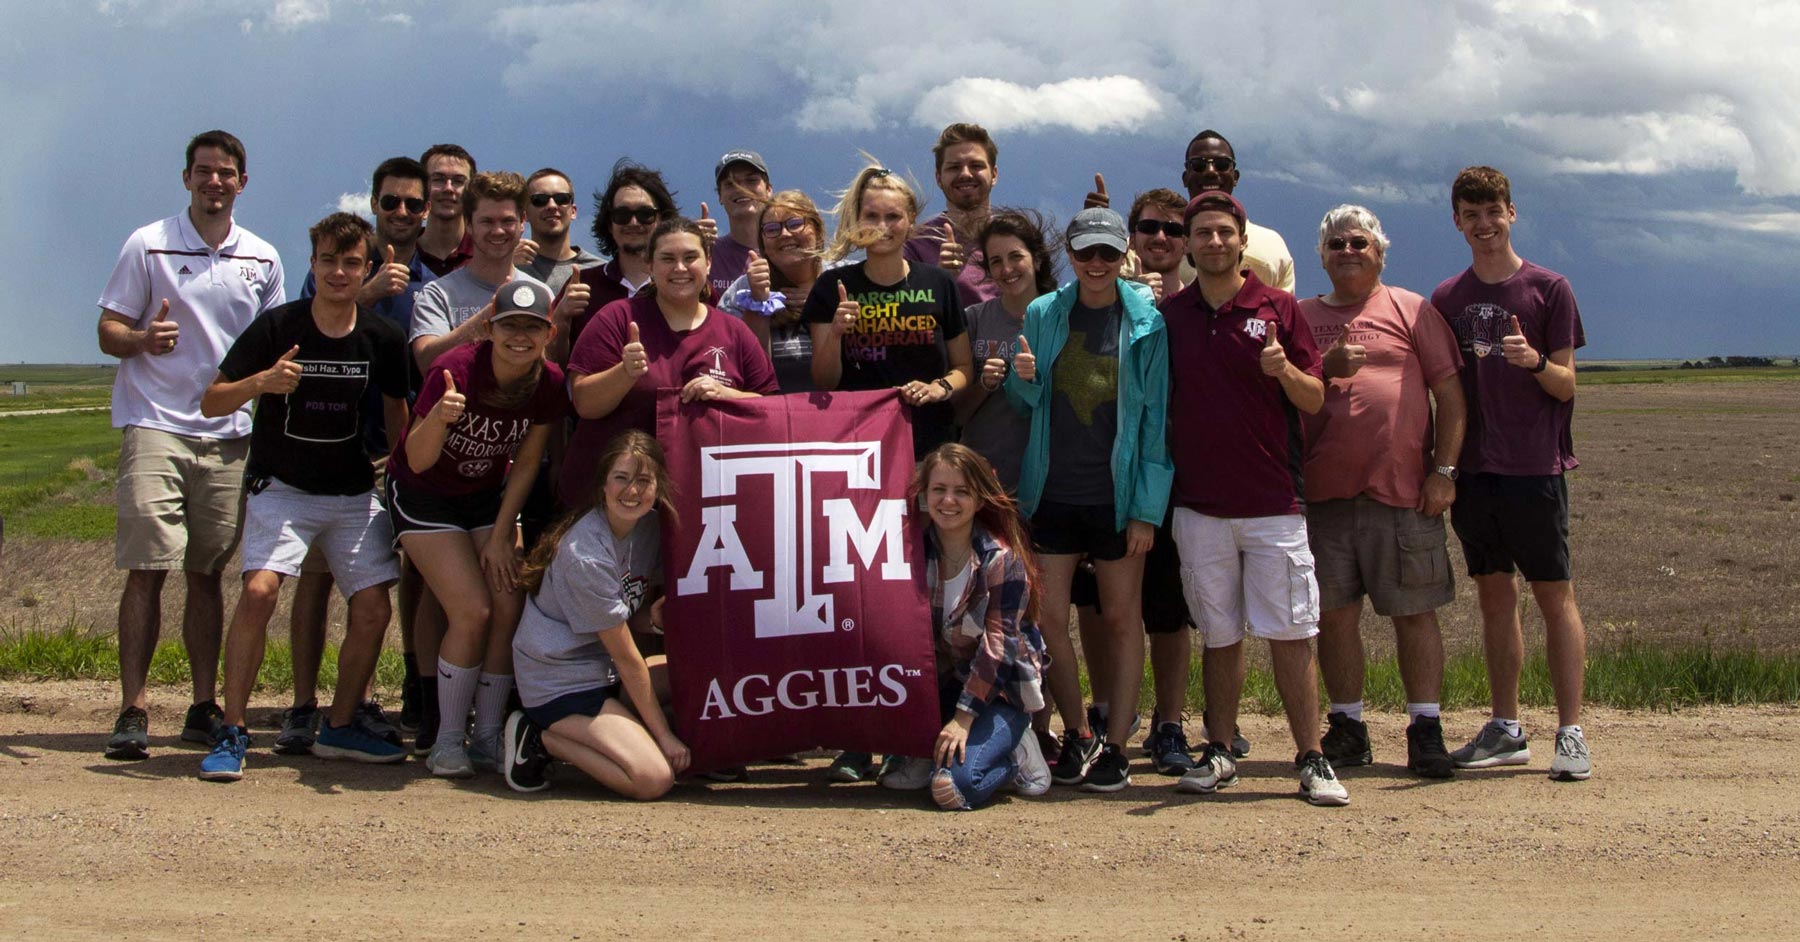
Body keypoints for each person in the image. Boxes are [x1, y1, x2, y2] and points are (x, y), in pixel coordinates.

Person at [196, 213, 411, 780]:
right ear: (312, 265)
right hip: (282, 488)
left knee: (373, 605)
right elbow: (212, 401)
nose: (338, 273)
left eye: (350, 263)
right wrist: (260, 383)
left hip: (351, 492)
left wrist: (401, 459)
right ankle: (233, 728)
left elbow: (396, 408)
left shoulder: (381, 337)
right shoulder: (278, 326)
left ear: (366, 268)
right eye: (327, 261)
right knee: (261, 590)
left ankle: (339, 724)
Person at [95, 129, 284, 760]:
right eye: (204, 171)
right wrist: (143, 339)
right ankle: (134, 708)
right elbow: (108, 329)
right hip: (156, 425)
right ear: (187, 179)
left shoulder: (262, 258)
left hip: (228, 435)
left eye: (226, 172)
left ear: (242, 182)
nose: (215, 182)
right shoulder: (147, 245)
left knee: (207, 573)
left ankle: (203, 706)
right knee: (147, 568)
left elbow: (275, 344)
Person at [1159, 191, 1348, 807]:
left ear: (1243, 240)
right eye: (1203, 233)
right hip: (1199, 505)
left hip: (1273, 503)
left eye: (1224, 233)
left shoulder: (1279, 309)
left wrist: (1283, 371)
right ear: (1188, 244)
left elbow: (1315, 398)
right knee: (1219, 633)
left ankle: (1312, 758)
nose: (1214, 242)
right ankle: (1217, 751)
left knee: (1292, 631)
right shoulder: (1173, 316)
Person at [1430, 166, 1591, 781]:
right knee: (1496, 598)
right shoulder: (1449, 299)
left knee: (1555, 597)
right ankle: (1505, 727)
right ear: (1457, 223)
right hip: (1477, 471)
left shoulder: (1549, 289)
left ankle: (1570, 732)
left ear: (1511, 213)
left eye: (1492, 211)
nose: (1483, 224)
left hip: (1534, 468)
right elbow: (1446, 390)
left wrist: (1531, 363)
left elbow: (1567, 381)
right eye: (1471, 215)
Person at [1003, 207, 1172, 793]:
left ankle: (1117, 746)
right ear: (1070, 257)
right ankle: (1078, 731)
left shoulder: (1148, 319)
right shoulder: (1045, 312)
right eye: (1085, 253)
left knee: (1123, 621)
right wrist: (1022, 377)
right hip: (1053, 491)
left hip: (1119, 497)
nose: (1096, 264)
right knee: (1049, 621)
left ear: (1122, 254)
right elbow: (1028, 403)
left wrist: (1148, 508)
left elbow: (1154, 418)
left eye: (1107, 253)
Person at [1298, 205, 1467, 779]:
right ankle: (1347, 728)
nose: (1347, 251)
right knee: (1336, 617)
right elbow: (1285, 394)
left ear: (1379, 253)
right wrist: (1325, 364)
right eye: (1336, 244)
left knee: (1414, 613)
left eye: (1359, 243)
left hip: (1402, 495)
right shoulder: (1301, 316)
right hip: (1324, 498)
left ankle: (1425, 730)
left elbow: (1451, 394)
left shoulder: (1412, 309)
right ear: (1320, 255)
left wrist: (1444, 472)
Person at [283, 155, 436, 754]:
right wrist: (366, 292)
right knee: (317, 583)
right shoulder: (346, 264)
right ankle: (302, 705)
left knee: (379, 583)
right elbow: (304, 331)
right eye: (391, 201)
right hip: (335, 446)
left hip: (399, 448)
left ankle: (362, 701)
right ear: (374, 204)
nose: (402, 212)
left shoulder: (432, 275)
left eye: (412, 204)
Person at [391, 279, 568, 777]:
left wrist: (499, 534)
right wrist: (441, 420)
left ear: (548, 333)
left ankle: (487, 735)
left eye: (532, 328)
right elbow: (418, 460)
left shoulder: (549, 382)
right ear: (490, 327)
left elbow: (529, 461)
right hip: (424, 494)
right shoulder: (456, 369)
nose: (520, 337)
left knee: (509, 600)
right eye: (510, 325)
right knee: (471, 610)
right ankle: (448, 737)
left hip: (486, 498)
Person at [502, 430, 690, 799]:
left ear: (659, 486)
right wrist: (665, 737)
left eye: (644, 480)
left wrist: (652, 621)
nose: (632, 491)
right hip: (562, 683)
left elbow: (618, 618)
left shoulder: (649, 528)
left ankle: (625, 728)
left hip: (602, 669)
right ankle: (539, 736)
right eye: (621, 478)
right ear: (603, 483)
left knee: (696, 679)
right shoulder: (585, 552)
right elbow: (624, 654)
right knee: (653, 779)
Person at [561, 218, 778, 509]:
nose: (679, 268)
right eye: (667, 259)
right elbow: (584, 403)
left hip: (699, 505)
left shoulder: (734, 332)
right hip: (609, 505)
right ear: (650, 266)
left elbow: (772, 411)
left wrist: (729, 396)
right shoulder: (617, 318)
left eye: (690, 258)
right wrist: (624, 373)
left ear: (709, 263)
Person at [912, 444, 1052, 811]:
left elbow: (999, 650)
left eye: (961, 492)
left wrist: (962, 719)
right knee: (900, 782)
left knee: (952, 789)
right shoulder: (910, 554)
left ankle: (1016, 756)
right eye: (939, 490)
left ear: (979, 499)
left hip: (1000, 692)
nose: (948, 501)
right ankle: (938, 755)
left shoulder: (1002, 560)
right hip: (944, 684)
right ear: (925, 496)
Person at [805, 162, 975, 462]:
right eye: (871, 215)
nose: (882, 226)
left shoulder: (939, 283)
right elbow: (824, 382)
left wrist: (939, 388)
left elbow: (963, 368)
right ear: (857, 220)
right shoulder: (831, 286)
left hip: (930, 449)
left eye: (893, 216)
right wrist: (835, 334)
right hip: (856, 446)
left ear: (911, 221)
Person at [957, 210, 1057, 491]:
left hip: (1046, 485)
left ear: (1036, 259)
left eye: (1016, 257)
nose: (1007, 269)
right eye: (996, 261)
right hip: (981, 481)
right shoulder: (974, 319)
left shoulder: (1063, 318)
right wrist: (984, 384)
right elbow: (956, 416)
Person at [567, 161, 682, 355]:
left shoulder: (686, 283)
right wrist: (561, 319)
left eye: (645, 214)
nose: (634, 222)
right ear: (609, 224)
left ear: (662, 220)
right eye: (622, 214)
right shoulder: (582, 286)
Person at [718, 190, 826, 394]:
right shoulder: (742, 290)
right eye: (772, 229)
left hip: (841, 414)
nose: (784, 234)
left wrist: (822, 302)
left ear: (818, 231)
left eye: (795, 224)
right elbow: (741, 371)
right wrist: (758, 301)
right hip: (773, 413)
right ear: (763, 245)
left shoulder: (843, 280)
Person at [904, 123, 1000, 306]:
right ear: (938, 178)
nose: (965, 174)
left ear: (994, 174)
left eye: (976, 165)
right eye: (954, 167)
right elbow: (899, 314)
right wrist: (938, 280)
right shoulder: (916, 243)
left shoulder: (1019, 240)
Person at [518, 167, 603, 297]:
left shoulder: (600, 271)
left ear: (573, 211)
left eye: (561, 198)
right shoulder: (513, 268)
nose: (552, 205)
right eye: (539, 200)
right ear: (525, 214)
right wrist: (507, 265)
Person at [708, 149, 773, 300]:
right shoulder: (706, 254)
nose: (741, 189)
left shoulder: (787, 250)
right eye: (730, 184)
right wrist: (690, 245)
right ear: (720, 196)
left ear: (769, 190)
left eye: (751, 181)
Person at [416, 144, 476, 277]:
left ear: (472, 190)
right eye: (438, 179)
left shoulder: (486, 253)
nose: (448, 188)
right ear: (421, 186)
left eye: (458, 181)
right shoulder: (402, 251)